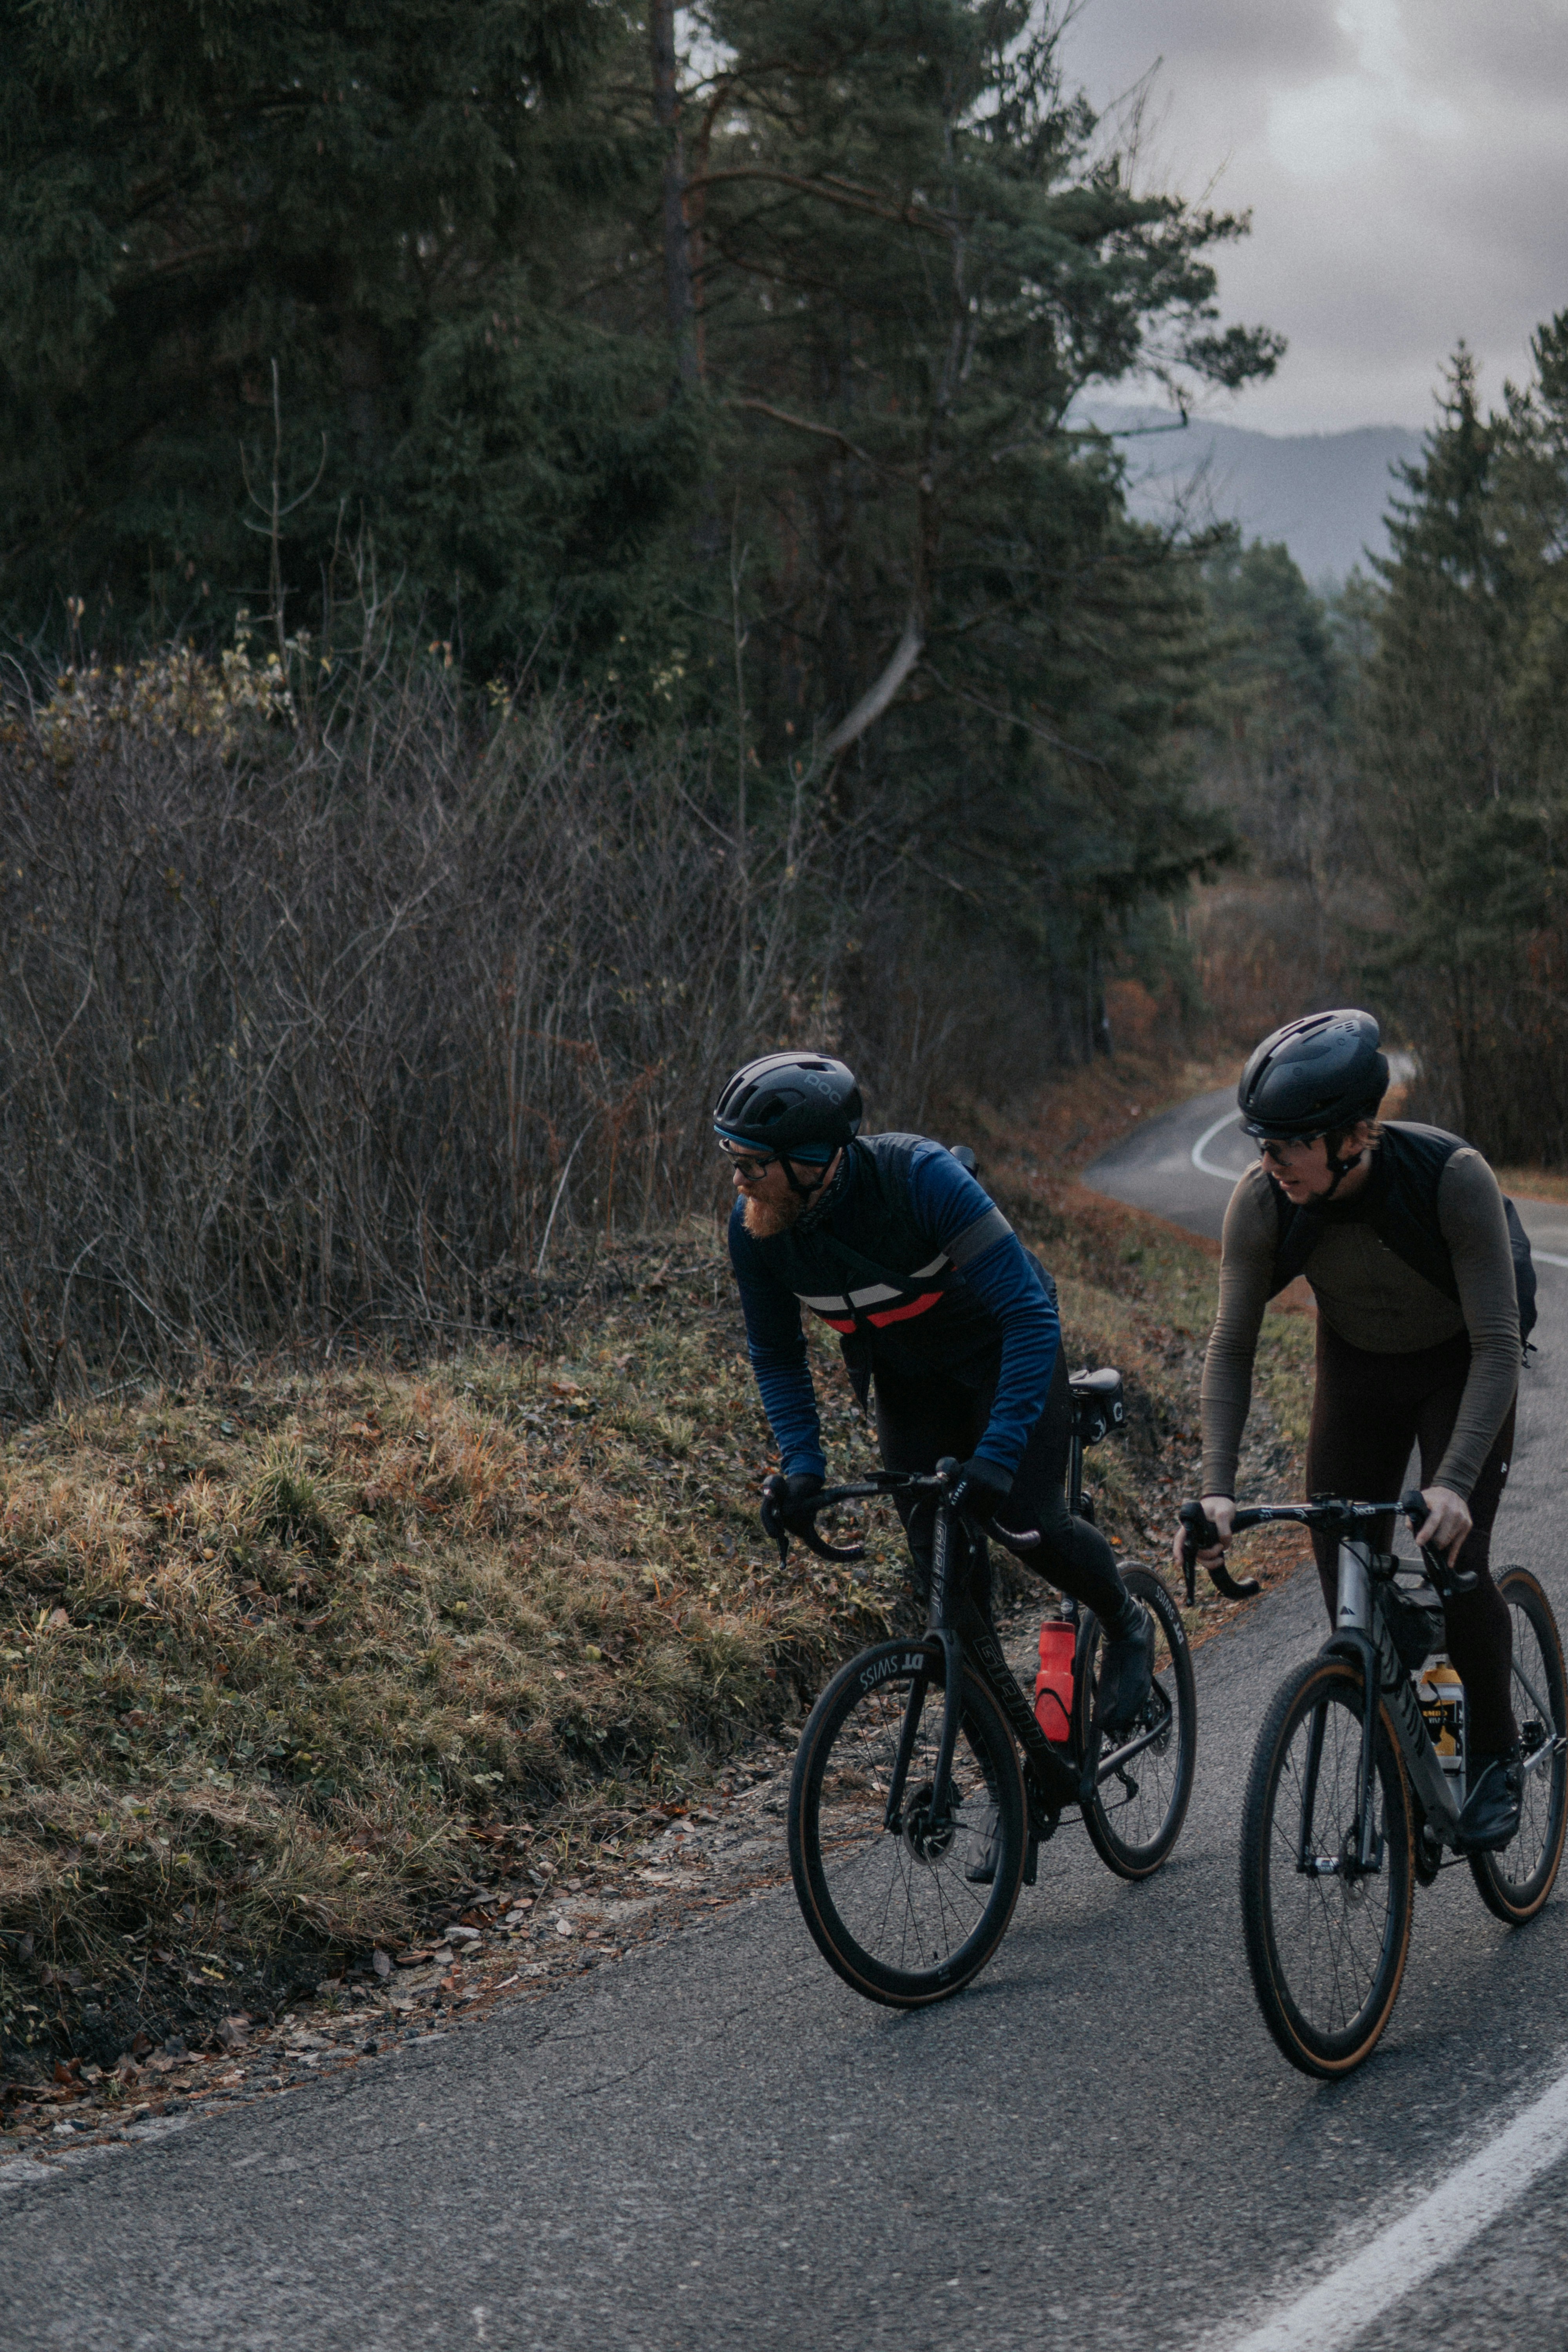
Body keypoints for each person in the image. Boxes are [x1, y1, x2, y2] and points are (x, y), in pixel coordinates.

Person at [716, 1050, 1154, 1730]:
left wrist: (1000, 1454)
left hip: (1004, 1354)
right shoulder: (757, 1232)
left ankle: (1126, 1623)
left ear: (811, 1161)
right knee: (939, 1572)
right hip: (909, 1380)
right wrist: (802, 1466)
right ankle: (1006, 1766)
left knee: (1026, 1521)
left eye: (751, 1164)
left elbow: (1029, 1316)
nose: (738, 1181)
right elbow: (775, 1354)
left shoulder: (919, 1178)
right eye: (733, 1160)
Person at [1181, 1008, 1523, 1851]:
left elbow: (1496, 1343)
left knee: (1454, 1556)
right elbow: (1231, 1348)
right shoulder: (1265, 1202)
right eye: (1259, 1142)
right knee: (1345, 1569)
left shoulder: (1451, 1179)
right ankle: (1406, 1719)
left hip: (1460, 1362)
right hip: (1358, 1367)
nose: (1265, 1162)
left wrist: (1450, 1484)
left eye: (1285, 1145)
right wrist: (1216, 1489)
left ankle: (1493, 1752)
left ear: (1354, 1137)